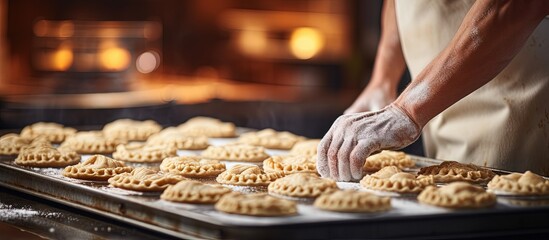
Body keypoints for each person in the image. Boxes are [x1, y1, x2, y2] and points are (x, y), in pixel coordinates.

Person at [317, 0, 549, 181]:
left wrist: (406, 110)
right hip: (433, 112)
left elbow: (514, 5)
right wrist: (383, 79)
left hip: (517, 103)